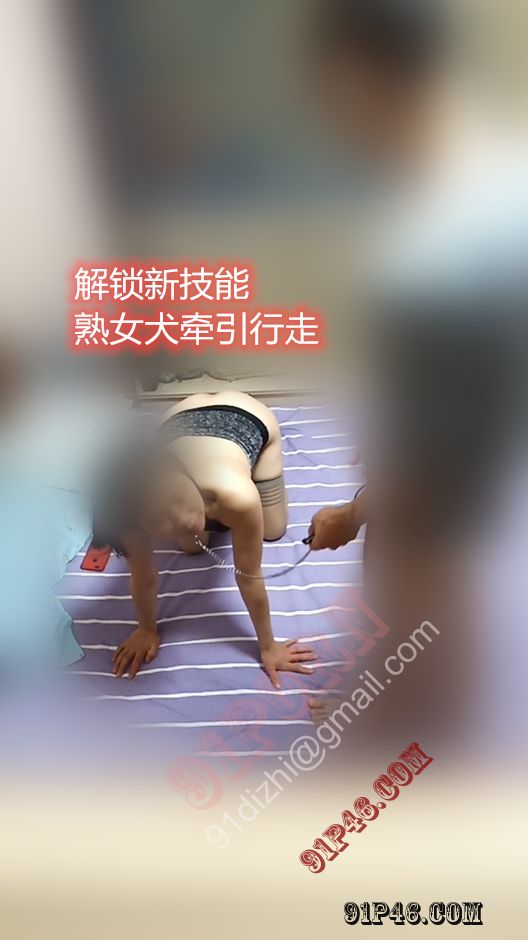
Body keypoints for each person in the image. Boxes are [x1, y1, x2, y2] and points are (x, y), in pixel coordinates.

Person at [92, 390, 315, 686]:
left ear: (180, 471)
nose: (182, 520)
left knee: (272, 531)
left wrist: (268, 647)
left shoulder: (235, 495)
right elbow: (142, 577)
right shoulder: (127, 512)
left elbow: (249, 576)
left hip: (246, 416)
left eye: (177, 497)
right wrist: (146, 628)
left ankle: (255, 461)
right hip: (178, 419)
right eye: (159, 520)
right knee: (192, 547)